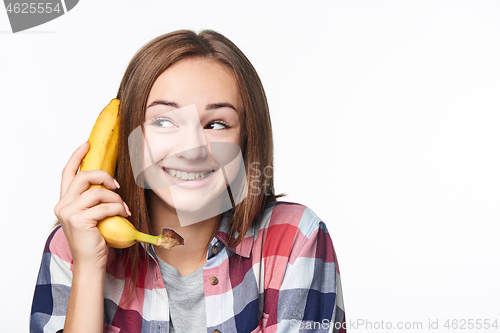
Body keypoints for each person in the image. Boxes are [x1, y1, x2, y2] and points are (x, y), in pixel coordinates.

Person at [30, 29, 346, 333]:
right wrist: (88, 269)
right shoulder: (72, 246)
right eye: (164, 121)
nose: (192, 149)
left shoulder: (295, 238)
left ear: (246, 138)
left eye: (217, 124)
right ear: (130, 136)